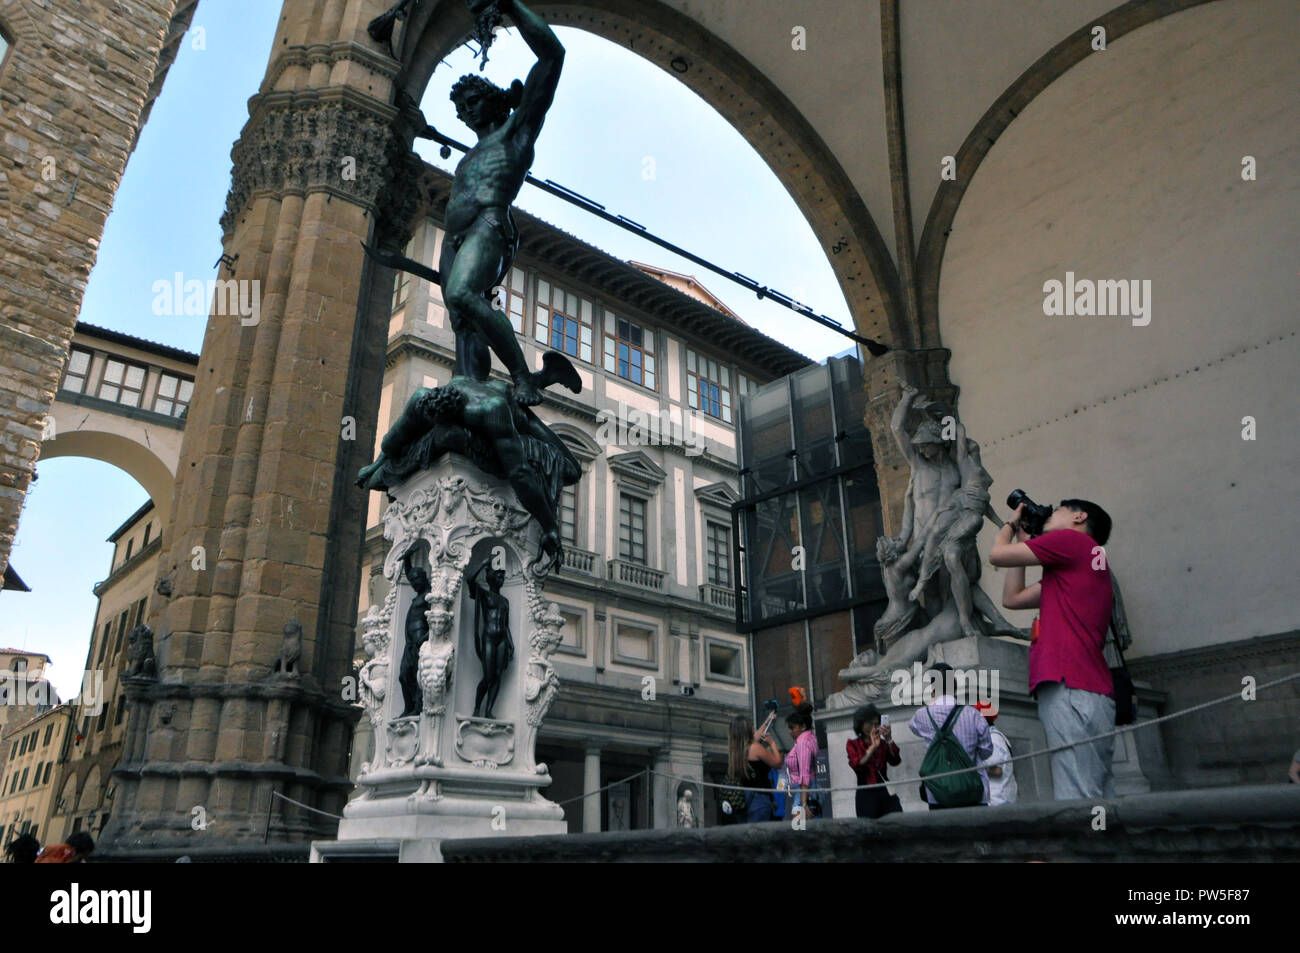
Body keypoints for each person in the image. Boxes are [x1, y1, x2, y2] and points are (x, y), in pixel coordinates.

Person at [990, 498, 1116, 800]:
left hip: (1069, 684)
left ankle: (1085, 846)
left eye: (1059, 508)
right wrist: (1024, 539)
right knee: (1095, 790)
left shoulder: (1073, 541)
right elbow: (1013, 597)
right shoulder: (1084, 563)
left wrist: (1009, 524)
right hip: (1090, 688)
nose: (1052, 513)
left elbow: (997, 555)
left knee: (1077, 793)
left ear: (1079, 517)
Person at [909, 662, 993, 809]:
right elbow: (987, 751)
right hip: (972, 789)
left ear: (932, 688)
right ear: (954, 686)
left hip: (938, 792)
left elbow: (914, 729)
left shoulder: (921, 715)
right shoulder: (973, 714)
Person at [846, 705, 902, 818]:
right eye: (869, 724)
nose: (873, 727)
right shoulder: (853, 744)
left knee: (896, 823)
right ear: (861, 725)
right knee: (869, 829)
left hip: (885, 791)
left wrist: (889, 739)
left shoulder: (883, 744)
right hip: (866, 794)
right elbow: (857, 764)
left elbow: (895, 761)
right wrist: (873, 746)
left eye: (876, 724)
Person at [725, 715, 783, 823]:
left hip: (742, 799)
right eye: (751, 725)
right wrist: (772, 743)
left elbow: (756, 736)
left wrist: (768, 720)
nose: (753, 727)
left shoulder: (736, 750)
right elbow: (778, 763)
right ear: (747, 729)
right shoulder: (755, 748)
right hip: (759, 799)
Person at [975, 702, 1018, 806]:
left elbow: (997, 771)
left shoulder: (992, 740)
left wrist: (973, 768)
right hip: (1003, 798)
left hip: (997, 800)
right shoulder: (998, 736)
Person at [783, 703, 820, 818]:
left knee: (799, 830)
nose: (789, 731)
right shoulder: (810, 737)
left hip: (803, 791)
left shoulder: (803, 743)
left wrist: (803, 803)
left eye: (792, 728)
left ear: (803, 727)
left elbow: (804, 773)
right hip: (807, 789)